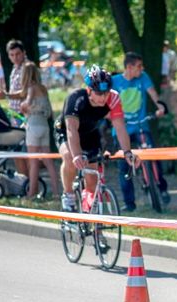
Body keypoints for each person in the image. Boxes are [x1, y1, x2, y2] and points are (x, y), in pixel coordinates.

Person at [54, 65, 139, 212]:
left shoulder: (113, 98)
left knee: (92, 179)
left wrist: (127, 152)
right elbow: (71, 129)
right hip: (65, 131)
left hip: (90, 133)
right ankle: (68, 195)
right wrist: (77, 156)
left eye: (106, 93)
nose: (103, 97)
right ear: (89, 90)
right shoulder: (76, 98)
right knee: (69, 157)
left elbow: (119, 127)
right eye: (99, 94)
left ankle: (88, 213)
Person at [112, 52, 169, 212]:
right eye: (138, 66)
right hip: (122, 129)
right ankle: (129, 203)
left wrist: (160, 107)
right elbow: (107, 102)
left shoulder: (143, 77)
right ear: (129, 67)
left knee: (154, 157)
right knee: (124, 167)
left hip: (141, 126)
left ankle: (162, 189)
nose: (141, 69)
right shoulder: (115, 82)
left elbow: (153, 94)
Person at [15, 61, 60, 198]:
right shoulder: (43, 88)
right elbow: (50, 111)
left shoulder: (31, 87)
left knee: (33, 161)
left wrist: (22, 106)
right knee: (48, 161)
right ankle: (58, 192)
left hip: (33, 124)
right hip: (44, 125)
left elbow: (27, 103)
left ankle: (31, 192)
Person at [0, 39, 29, 177]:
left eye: (18, 54)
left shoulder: (27, 68)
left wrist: (5, 95)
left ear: (24, 53)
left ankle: (28, 183)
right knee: (16, 151)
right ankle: (22, 182)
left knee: (25, 152)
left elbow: (25, 93)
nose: (15, 57)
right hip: (14, 115)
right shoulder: (14, 69)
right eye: (12, 55)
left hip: (24, 115)